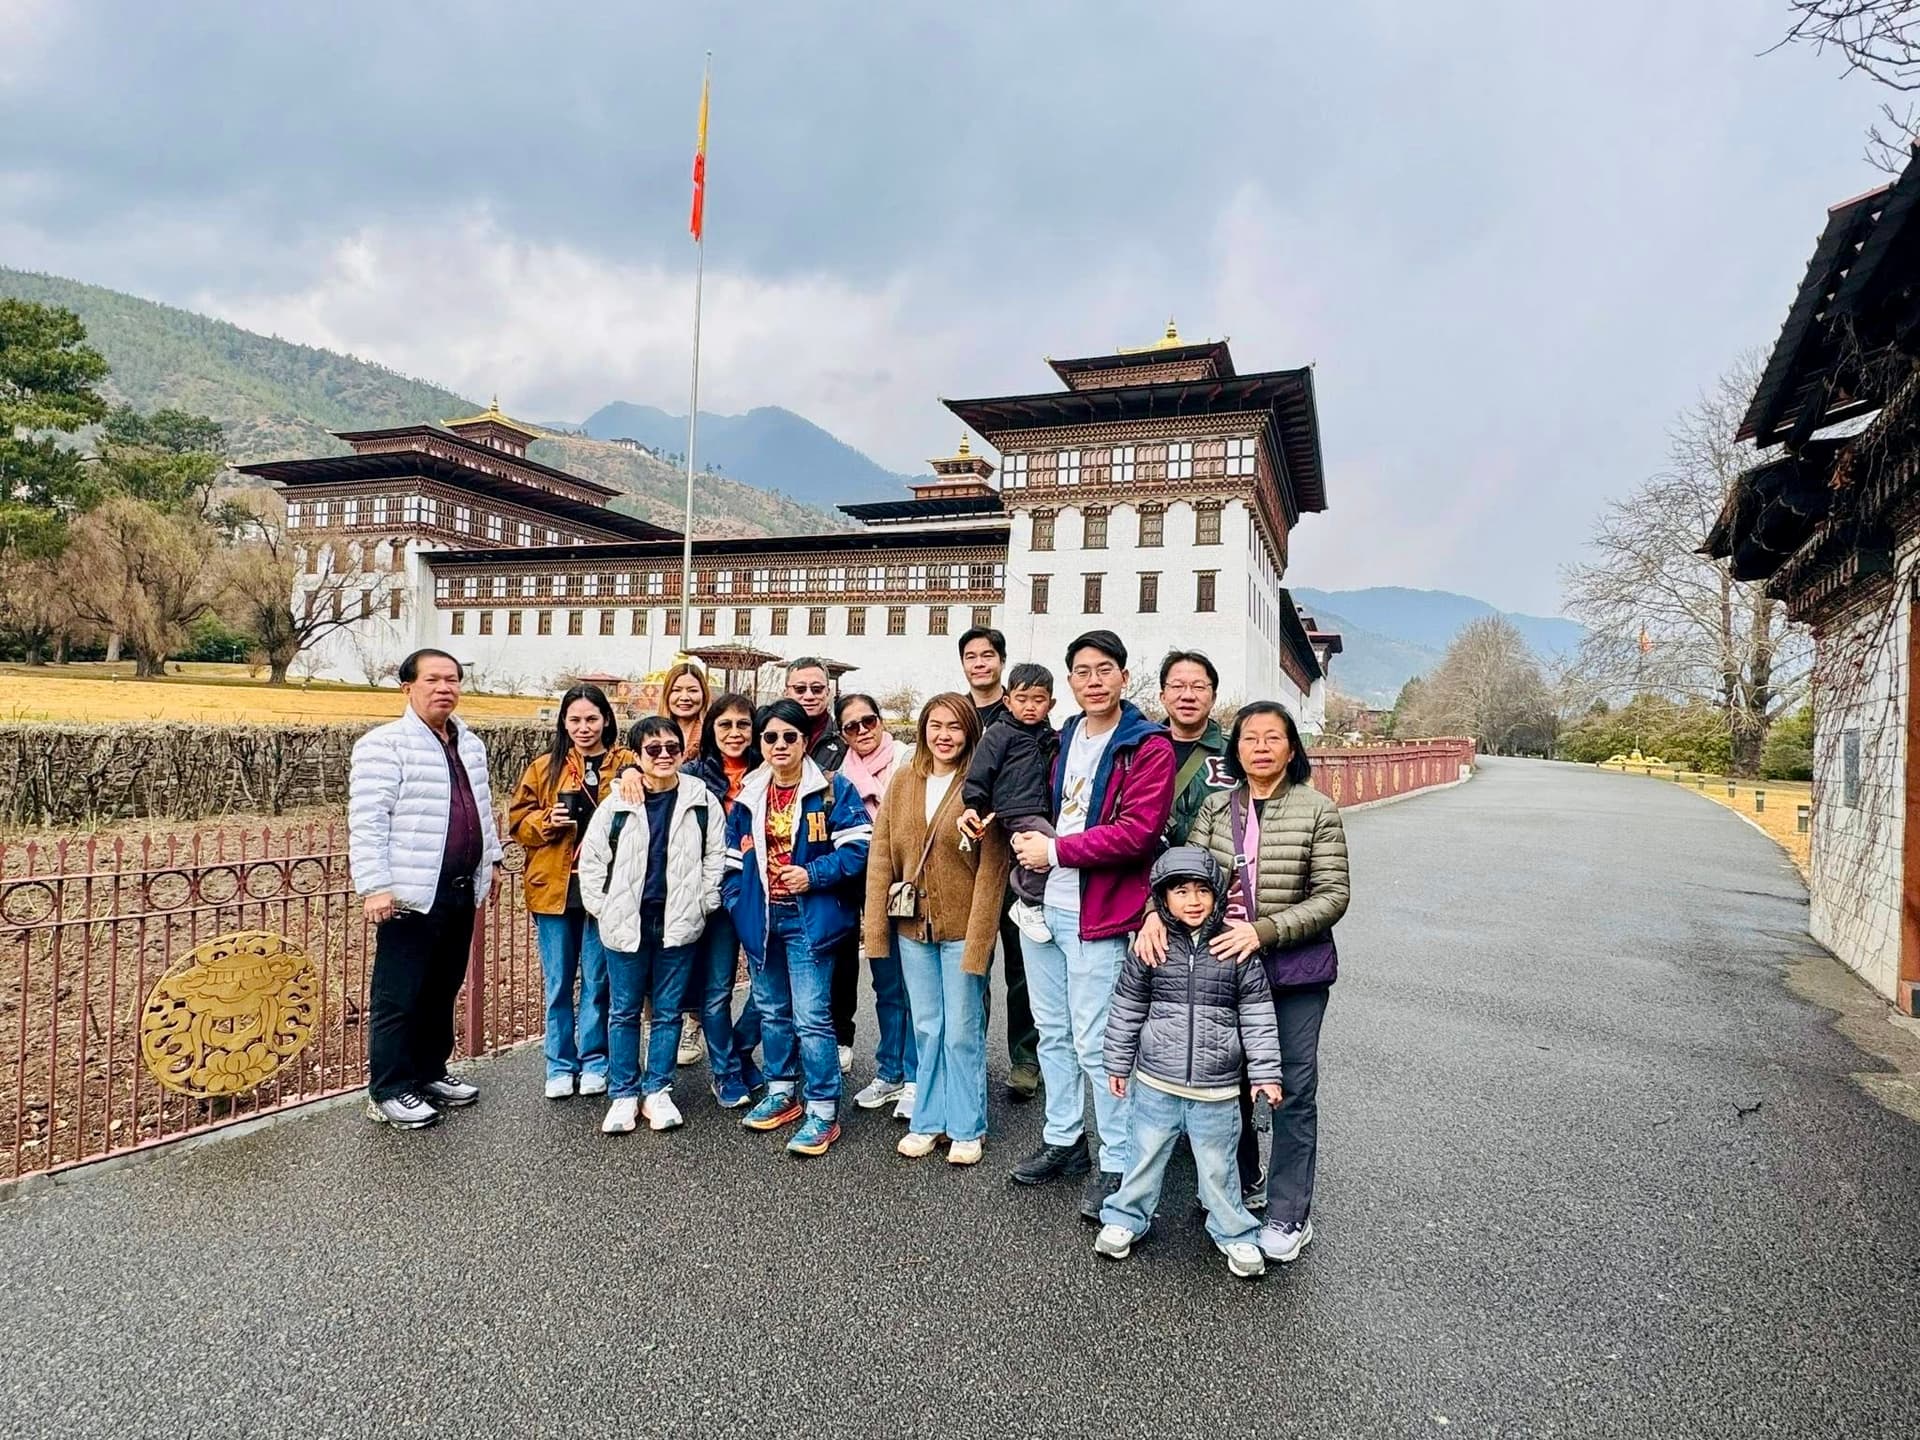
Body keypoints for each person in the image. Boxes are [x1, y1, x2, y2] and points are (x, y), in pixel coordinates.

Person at [1137, 701, 1349, 1265]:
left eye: (1272, 737)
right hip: (1223, 971)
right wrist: (1155, 913)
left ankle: (1288, 1212)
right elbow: (1187, 878)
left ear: (1290, 748)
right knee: (1229, 1080)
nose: (1260, 746)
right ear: (1236, 750)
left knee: (1291, 1089)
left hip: (1293, 970)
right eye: (1249, 737)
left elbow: (1333, 896)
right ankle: (1241, 1182)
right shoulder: (1214, 807)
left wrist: (1263, 931)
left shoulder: (1318, 809)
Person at [1008, 629, 1174, 1221]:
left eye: (1105, 669)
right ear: (1070, 683)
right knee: (1051, 1031)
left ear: (1124, 677)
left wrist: (1054, 851)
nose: (1094, 680)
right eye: (1082, 671)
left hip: (1099, 909)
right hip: (1043, 905)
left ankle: (1117, 1160)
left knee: (1099, 1040)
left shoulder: (1147, 747)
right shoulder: (1063, 738)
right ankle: (1064, 1139)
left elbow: (1139, 832)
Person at [1094, 846, 1284, 1279]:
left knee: (1218, 1167)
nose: (1193, 901)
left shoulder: (1234, 949)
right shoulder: (1150, 947)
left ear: (1218, 895)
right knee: (1143, 1157)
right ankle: (1125, 1218)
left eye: (1202, 891)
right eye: (1180, 891)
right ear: (1163, 898)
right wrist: (1117, 1064)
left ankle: (1234, 1231)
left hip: (1217, 1091)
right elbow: (1126, 1007)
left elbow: (1257, 1016)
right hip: (1156, 1083)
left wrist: (1265, 1075)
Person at [349, 648, 503, 1128]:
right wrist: (375, 885)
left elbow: (480, 808)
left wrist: (492, 860)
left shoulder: (469, 744)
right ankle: (390, 1087)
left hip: (459, 888)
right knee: (400, 994)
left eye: (453, 679)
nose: (445, 688)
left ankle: (431, 1071)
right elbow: (368, 822)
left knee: (442, 987)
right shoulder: (384, 745)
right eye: (433, 679)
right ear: (407, 687)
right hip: (412, 891)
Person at [863, 695, 1009, 1165]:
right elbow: (882, 854)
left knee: (962, 1029)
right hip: (912, 927)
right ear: (923, 728)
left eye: (955, 726)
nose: (943, 735)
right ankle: (928, 1120)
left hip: (964, 926)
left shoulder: (980, 786)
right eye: (935, 725)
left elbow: (993, 870)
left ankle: (967, 1125)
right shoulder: (905, 780)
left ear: (970, 732)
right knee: (927, 1026)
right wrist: (875, 929)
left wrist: (982, 939)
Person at [724, 698, 871, 1157]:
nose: (780, 744)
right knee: (772, 1011)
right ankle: (782, 1090)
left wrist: (814, 875)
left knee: (812, 1018)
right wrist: (738, 904)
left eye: (791, 736)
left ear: (806, 740)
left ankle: (823, 1109)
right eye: (771, 737)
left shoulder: (832, 789)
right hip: (764, 920)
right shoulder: (749, 794)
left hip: (811, 920)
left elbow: (859, 848)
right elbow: (732, 861)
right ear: (761, 742)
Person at [577, 716, 725, 1134]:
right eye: (653, 749)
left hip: (678, 918)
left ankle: (657, 1090)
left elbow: (716, 853)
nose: (663, 755)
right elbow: (592, 861)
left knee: (667, 1011)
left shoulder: (700, 799)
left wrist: (705, 899)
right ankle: (624, 1094)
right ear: (637, 756)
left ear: (682, 751)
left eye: (671, 748)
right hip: (627, 919)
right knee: (623, 1011)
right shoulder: (619, 802)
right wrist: (602, 907)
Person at [506, 683, 636, 1100]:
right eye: (575, 719)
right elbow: (518, 825)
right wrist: (547, 821)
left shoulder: (626, 764)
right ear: (564, 722)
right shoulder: (545, 767)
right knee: (559, 981)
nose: (584, 728)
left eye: (592, 719)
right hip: (554, 889)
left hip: (605, 887)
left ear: (606, 720)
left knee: (598, 980)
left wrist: (633, 774)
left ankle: (595, 1059)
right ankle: (560, 1063)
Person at [957, 626, 1042, 1102]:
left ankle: (1026, 1059)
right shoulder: (953, 714)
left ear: (1002, 663)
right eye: (971, 656)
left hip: (1019, 853)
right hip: (968, 853)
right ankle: (968, 1057)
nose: (980, 663)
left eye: (988, 655)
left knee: (1021, 962)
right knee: (971, 961)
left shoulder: (1031, 720)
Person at [835, 692, 919, 1120]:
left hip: (913, 887)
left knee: (916, 988)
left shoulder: (910, 760)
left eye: (869, 721)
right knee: (886, 985)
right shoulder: (840, 779)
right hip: (871, 889)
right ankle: (889, 1072)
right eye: (852, 726)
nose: (863, 731)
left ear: (880, 721)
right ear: (842, 734)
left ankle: (917, 1077)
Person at [681, 692, 765, 1106]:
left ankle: (739, 1050)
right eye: (725, 725)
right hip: (715, 896)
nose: (735, 733)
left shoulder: (769, 770)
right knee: (715, 992)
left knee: (769, 988)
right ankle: (727, 1072)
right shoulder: (693, 776)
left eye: (743, 725)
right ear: (712, 729)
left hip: (763, 894)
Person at [641, 659, 713, 1071]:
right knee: (655, 947)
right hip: (655, 858)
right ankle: (657, 1024)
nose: (685, 697)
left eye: (693, 690)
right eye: (677, 691)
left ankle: (692, 1023)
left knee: (696, 949)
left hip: (697, 851)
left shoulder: (713, 738)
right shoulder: (652, 732)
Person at [958, 662, 1059, 943]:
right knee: (1052, 847)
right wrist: (972, 806)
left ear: (1050, 704)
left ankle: (1032, 897)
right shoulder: (999, 733)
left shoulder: (1048, 736)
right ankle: (1027, 902)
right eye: (1022, 699)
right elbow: (980, 772)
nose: (1030, 707)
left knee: (1040, 851)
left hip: (1039, 809)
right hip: (1016, 808)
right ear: (1007, 700)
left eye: (1038, 700)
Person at [1159, 650, 1234, 846]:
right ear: (1163, 696)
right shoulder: (1140, 752)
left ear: (1213, 697)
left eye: (1199, 687)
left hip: (1218, 869)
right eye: (1177, 686)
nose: (1188, 696)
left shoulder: (1237, 753)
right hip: (1151, 870)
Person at [784, 656, 847, 771]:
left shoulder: (845, 738)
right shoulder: (767, 737)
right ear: (786, 693)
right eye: (800, 689)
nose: (809, 696)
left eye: (817, 689)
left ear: (828, 692)